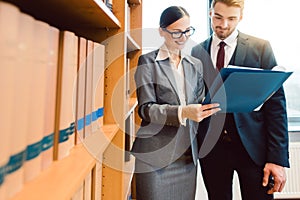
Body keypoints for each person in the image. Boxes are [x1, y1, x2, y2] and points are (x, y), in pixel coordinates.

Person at [191, 0, 289, 199]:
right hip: (212, 150)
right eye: (218, 17)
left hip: (254, 149)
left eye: (231, 18)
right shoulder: (196, 52)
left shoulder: (260, 48)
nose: (224, 25)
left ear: (241, 17)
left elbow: (276, 106)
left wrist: (277, 159)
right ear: (210, 13)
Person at [131, 6, 221, 200]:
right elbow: (146, 109)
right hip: (155, 157)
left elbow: (198, 103)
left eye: (188, 31)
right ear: (161, 32)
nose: (183, 37)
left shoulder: (194, 64)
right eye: (176, 32)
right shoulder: (147, 62)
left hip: (187, 156)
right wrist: (183, 112)